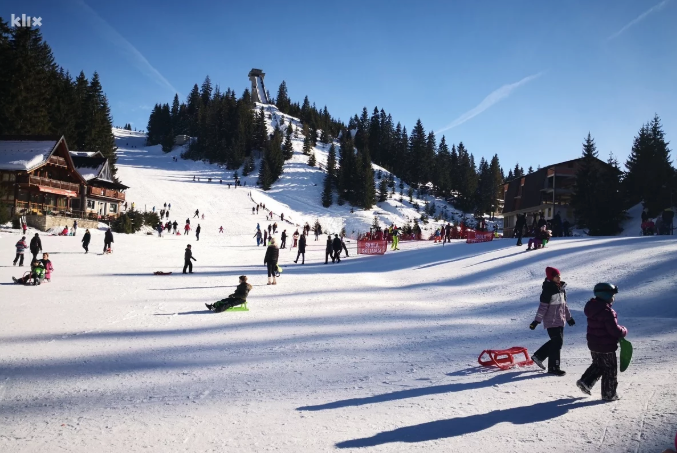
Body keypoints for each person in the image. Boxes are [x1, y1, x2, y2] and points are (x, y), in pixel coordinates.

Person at [576, 283, 626, 402]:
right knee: (610, 369)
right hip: (606, 346)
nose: (613, 298)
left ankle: (586, 381)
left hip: (594, 344)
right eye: (612, 295)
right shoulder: (607, 311)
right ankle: (609, 394)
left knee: (598, 364)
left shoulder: (592, 308)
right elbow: (614, 330)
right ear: (606, 295)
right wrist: (623, 331)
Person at [529, 267, 574, 376]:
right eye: (556, 276)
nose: (558, 278)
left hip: (560, 320)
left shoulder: (561, 289)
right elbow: (542, 308)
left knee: (556, 342)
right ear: (550, 277)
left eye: (559, 276)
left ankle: (539, 356)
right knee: (557, 342)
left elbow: (564, 305)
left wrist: (569, 318)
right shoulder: (548, 290)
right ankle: (553, 367)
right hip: (551, 321)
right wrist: (536, 321)